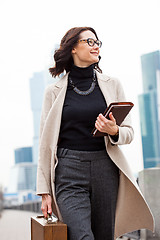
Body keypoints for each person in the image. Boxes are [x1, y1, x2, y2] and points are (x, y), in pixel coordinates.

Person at [36, 27, 154, 240]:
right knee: (82, 237)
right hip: (68, 171)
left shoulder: (113, 84)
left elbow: (129, 133)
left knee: (103, 236)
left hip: (105, 167)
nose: (96, 45)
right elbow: (45, 145)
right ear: (73, 48)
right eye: (89, 41)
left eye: (97, 41)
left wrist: (114, 130)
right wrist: (44, 191)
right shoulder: (53, 92)